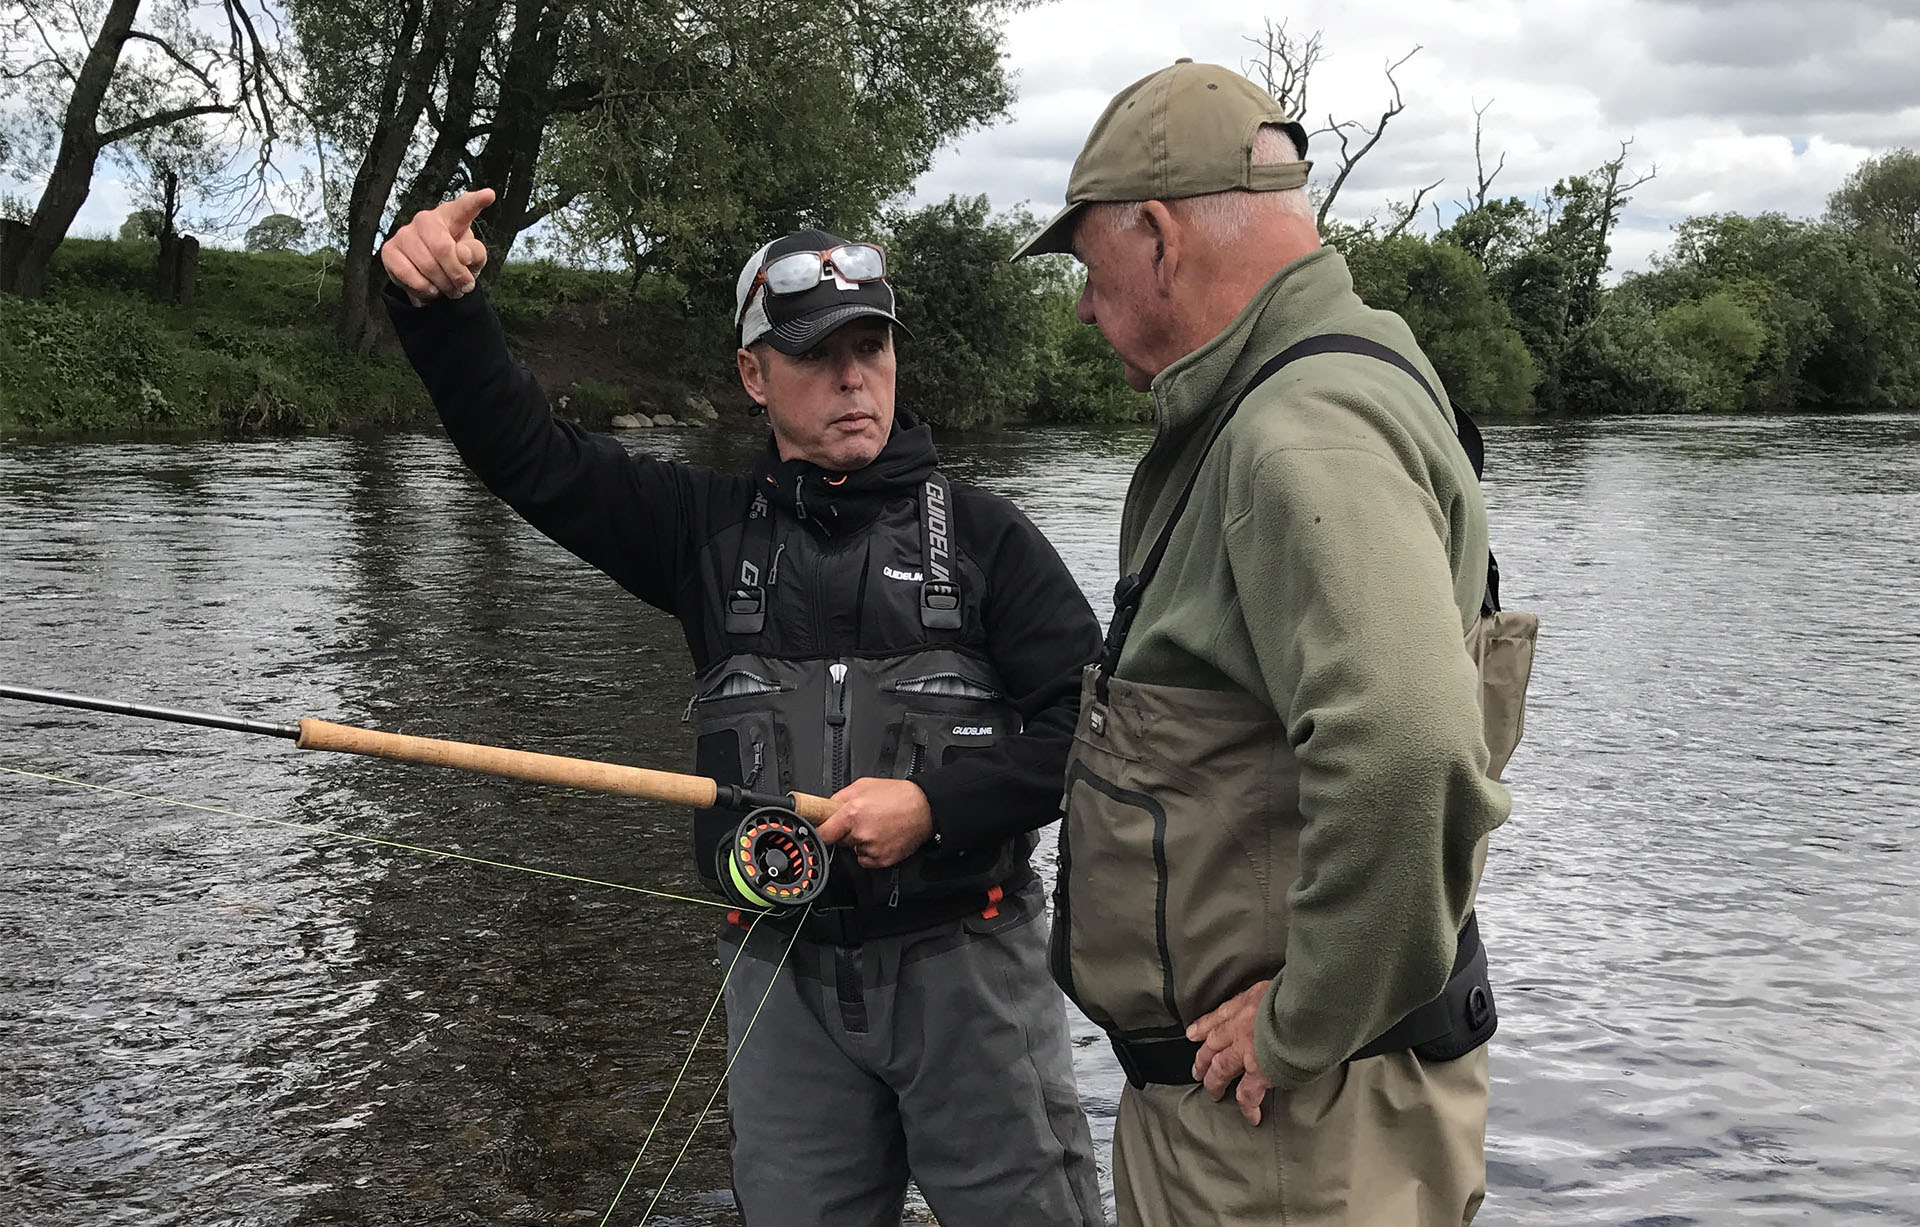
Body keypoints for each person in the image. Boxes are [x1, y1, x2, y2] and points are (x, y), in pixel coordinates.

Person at [379, 190, 1106, 1227]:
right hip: (782, 980)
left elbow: (1095, 736)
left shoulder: (990, 540)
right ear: (754, 376)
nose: (855, 376)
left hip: (972, 976)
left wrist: (936, 808)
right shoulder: (701, 533)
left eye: (872, 346)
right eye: (818, 353)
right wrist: (443, 314)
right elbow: (530, 459)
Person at [1012, 60, 1538, 1226]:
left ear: (1156, 234)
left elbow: (1407, 743)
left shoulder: (1298, 429)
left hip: (1284, 1135)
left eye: (1091, 274)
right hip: (1289, 1122)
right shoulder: (1347, 375)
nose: (1087, 310)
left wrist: (1303, 1017)